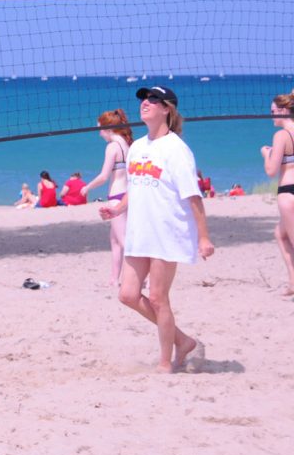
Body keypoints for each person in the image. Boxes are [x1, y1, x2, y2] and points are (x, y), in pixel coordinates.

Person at [99, 86, 214, 373]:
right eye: (143, 99)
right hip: (140, 231)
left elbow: (193, 197)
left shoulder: (177, 150)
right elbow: (135, 188)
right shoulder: (137, 147)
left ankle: (165, 362)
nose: (145, 103)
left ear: (167, 110)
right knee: (127, 294)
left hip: (167, 231)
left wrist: (203, 237)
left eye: (153, 100)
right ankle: (183, 340)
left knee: (158, 298)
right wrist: (117, 208)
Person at [80, 108, 133, 286]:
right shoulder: (128, 144)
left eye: (100, 129)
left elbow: (104, 176)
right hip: (129, 195)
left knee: (124, 241)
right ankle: (113, 279)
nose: (99, 134)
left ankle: (145, 277)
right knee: (115, 240)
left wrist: (87, 187)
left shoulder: (112, 147)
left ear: (108, 128)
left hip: (117, 197)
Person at [260, 89, 294, 295]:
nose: (271, 115)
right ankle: (292, 281)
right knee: (280, 234)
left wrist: (266, 154)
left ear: (283, 111)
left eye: (273, 111)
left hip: (288, 193)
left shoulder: (281, 135)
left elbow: (271, 171)